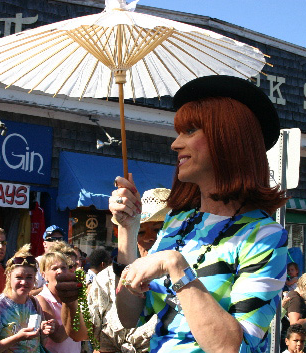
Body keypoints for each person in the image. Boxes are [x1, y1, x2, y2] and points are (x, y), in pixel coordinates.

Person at [110, 75, 289, 353]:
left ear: (228, 140)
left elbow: (233, 347)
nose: (175, 144)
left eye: (190, 131)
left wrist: (175, 265)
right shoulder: (177, 222)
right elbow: (130, 316)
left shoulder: (264, 236)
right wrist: (128, 231)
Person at [88, 188, 170, 353]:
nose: (149, 238)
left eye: (157, 229)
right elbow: (84, 334)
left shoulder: (184, 274)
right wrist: (71, 303)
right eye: (140, 232)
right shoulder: (106, 279)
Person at [0, 244, 57, 352]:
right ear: (9, 276)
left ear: (35, 279)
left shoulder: (33, 302)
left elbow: (39, 343)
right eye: (19, 277)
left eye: (29, 277)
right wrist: (18, 337)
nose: (24, 282)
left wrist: (43, 330)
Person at [36, 241, 88, 353]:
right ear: (44, 275)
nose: (60, 271)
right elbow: (58, 337)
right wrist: (71, 302)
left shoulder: (75, 297)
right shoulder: (42, 299)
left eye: (63, 268)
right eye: (54, 269)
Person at [32, 225, 67, 295]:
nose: (57, 242)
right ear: (44, 244)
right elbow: (29, 293)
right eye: (53, 239)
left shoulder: (66, 260)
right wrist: (51, 287)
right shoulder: (36, 262)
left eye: (60, 239)